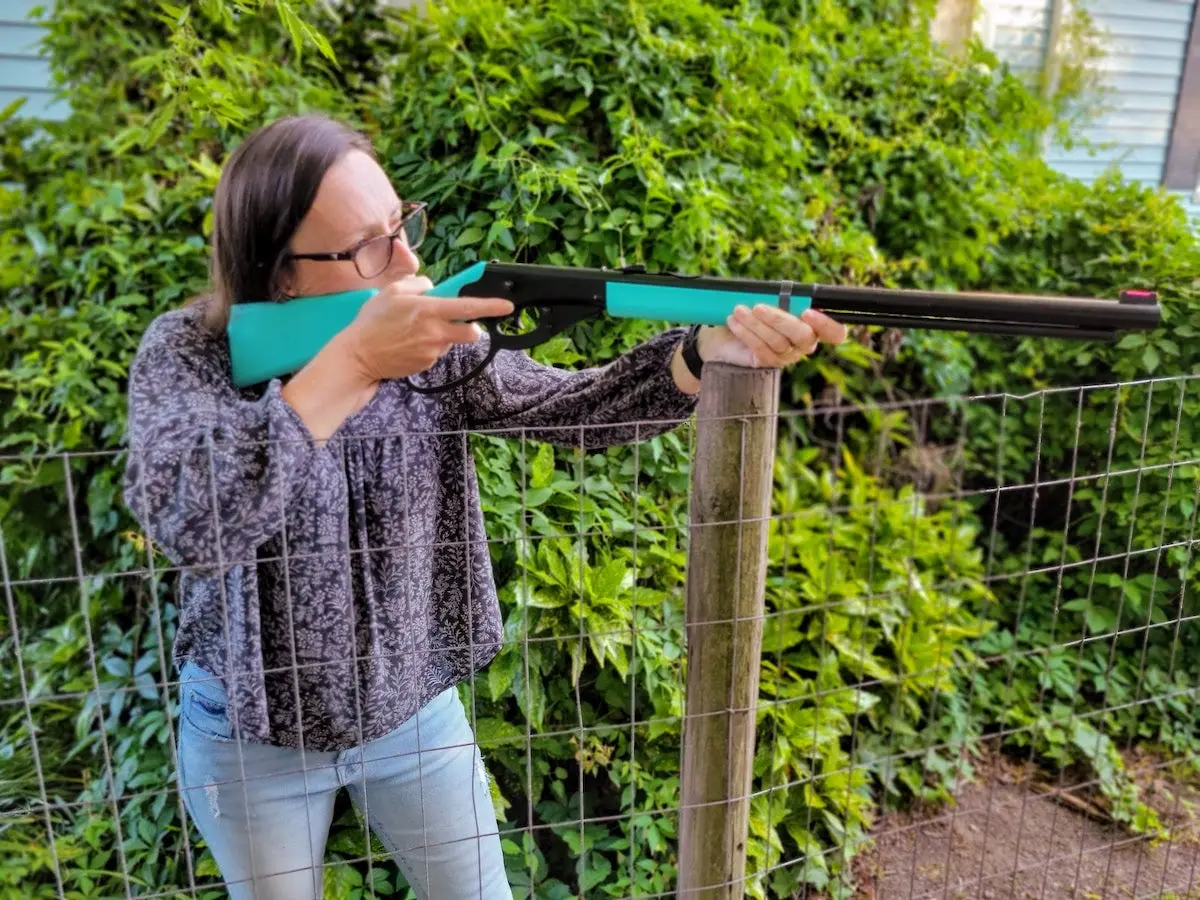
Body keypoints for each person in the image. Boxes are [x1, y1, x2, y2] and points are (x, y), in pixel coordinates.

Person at [121, 113, 846, 900]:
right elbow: (189, 521)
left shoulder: (434, 341)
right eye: (369, 245)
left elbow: (573, 408)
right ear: (281, 274)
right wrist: (354, 361)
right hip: (249, 728)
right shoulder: (188, 352)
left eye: (402, 225)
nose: (408, 261)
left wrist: (703, 353)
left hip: (413, 710)